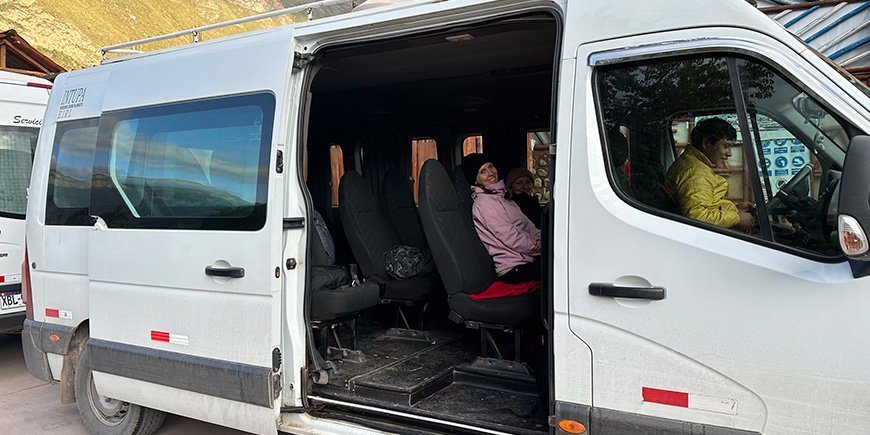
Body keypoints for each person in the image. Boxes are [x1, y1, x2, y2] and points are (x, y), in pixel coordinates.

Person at [463, 153, 541, 282]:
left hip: (527, 258)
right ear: (476, 180)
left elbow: (527, 224)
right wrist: (536, 246)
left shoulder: (504, 197)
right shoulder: (484, 204)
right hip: (513, 267)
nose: (491, 173)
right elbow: (509, 236)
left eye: (491, 166)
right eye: (483, 171)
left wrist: (540, 237)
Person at [664, 118, 753, 231]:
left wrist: (734, 209)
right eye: (726, 146)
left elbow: (705, 204)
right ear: (706, 143)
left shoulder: (692, 163)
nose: (729, 153)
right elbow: (698, 217)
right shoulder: (696, 174)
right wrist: (737, 218)